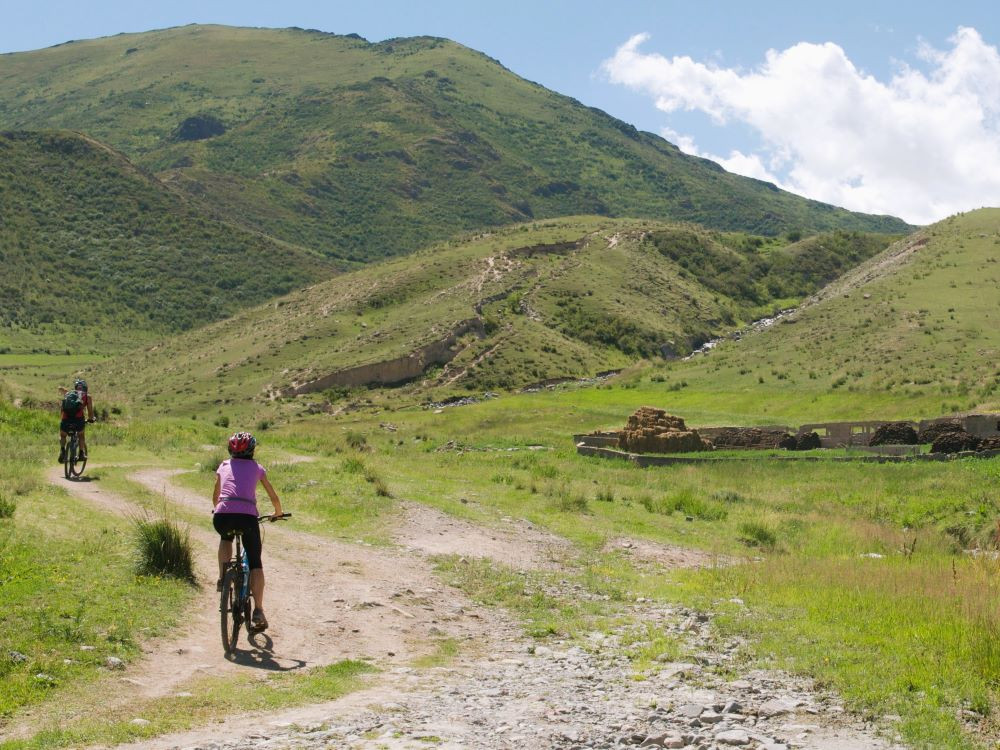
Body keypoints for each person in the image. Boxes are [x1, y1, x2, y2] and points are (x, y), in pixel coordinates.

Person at [212, 431, 283, 632]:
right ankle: (258, 610)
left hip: (222, 515)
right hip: (248, 518)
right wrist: (277, 513)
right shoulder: (257, 468)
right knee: (255, 563)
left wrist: (219, 508)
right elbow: (273, 496)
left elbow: (216, 495)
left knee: (225, 537)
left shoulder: (223, 466)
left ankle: (222, 577)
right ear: (252, 450)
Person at [58, 379, 95, 463]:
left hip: (66, 419)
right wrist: (91, 419)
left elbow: (62, 408)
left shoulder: (68, 394)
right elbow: (90, 411)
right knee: (81, 435)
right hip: (78, 420)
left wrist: (62, 418)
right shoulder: (87, 396)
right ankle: (81, 454)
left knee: (63, 435)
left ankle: (62, 450)